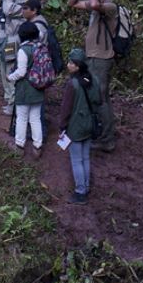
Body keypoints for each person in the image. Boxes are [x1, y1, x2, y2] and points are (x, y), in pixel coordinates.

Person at [67, 0, 119, 151]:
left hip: (102, 58)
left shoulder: (110, 6)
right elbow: (72, 4)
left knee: (101, 98)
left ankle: (107, 140)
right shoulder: (96, 4)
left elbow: (96, 5)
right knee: (100, 97)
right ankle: (104, 133)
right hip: (93, 56)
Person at [57, 48, 96, 203]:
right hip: (89, 124)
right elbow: (98, 100)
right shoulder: (91, 80)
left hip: (76, 126)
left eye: (71, 63)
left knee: (76, 160)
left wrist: (62, 127)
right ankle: (86, 186)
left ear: (78, 66)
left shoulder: (72, 84)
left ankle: (80, 192)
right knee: (86, 158)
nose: (68, 65)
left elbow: (65, 109)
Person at [0, 0, 32, 115]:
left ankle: (14, 102)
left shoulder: (21, 3)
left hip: (12, 42)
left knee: (10, 69)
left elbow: (9, 11)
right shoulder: (4, 1)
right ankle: (9, 99)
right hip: (2, 40)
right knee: (3, 69)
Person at [7, 22, 45, 155]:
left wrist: (10, 77)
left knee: (22, 118)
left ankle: (19, 145)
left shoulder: (24, 50)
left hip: (25, 89)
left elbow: (21, 72)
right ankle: (37, 146)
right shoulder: (40, 47)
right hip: (39, 88)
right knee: (35, 118)